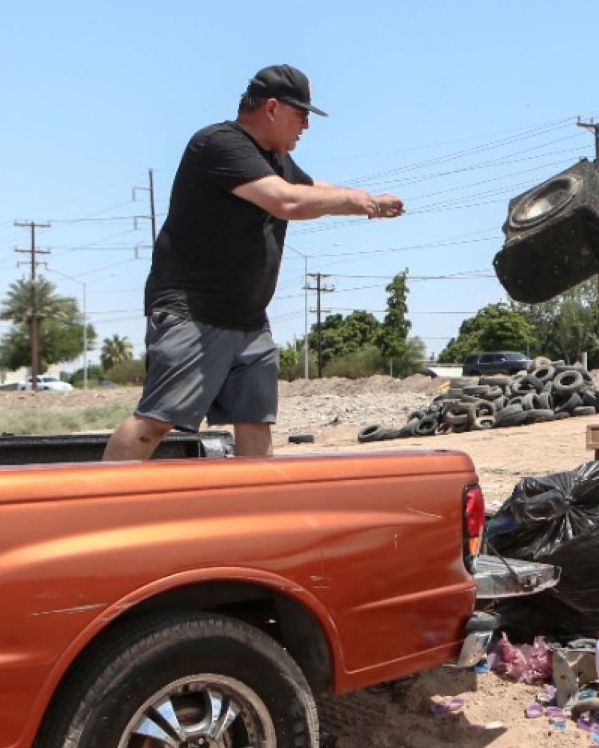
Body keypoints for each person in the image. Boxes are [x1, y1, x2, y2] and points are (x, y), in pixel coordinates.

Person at [104, 64, 403, 460]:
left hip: (248, 319)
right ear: (273, 108)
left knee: (255, 422)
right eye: (302, 115)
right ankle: (98, 506)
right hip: (193, 312)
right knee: (155, 422)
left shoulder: (275, 159)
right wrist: (360, 202)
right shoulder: (218, 143)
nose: (306, 127)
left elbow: (310, 189)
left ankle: (257, 512)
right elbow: (287, 201)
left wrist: (369, 200)